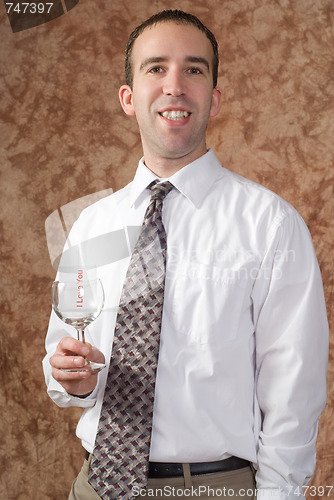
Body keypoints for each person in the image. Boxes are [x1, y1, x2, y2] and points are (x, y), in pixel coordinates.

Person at [43, 9, 329, 500]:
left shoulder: (270, 226)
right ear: (128, 99)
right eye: (156, 68)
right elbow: (65, 364)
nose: (174, 85)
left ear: (214, 99)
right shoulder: (93, 226)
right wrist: (73, 379)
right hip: (96, 485)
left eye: (193, 69)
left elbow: (294, 390)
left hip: (213, 488)